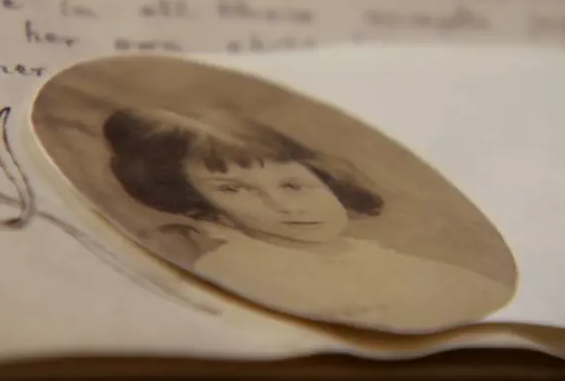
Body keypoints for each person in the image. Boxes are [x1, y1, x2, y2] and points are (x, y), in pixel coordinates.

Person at [102, 106, 513, 332]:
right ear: (202, 205)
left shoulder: (370, 254)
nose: (283, 206)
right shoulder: (238, 266)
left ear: (325, 180)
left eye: (293, 184)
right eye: (233, 190)